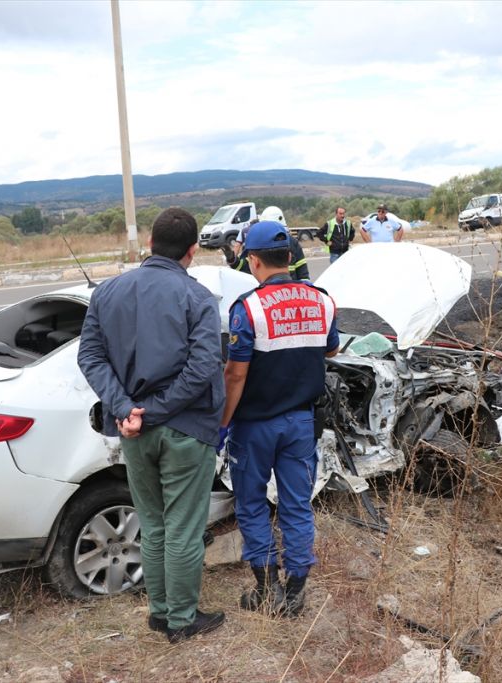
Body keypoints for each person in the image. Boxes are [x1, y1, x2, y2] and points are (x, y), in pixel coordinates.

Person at [77, 207, 226, 643]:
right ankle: (180, 619)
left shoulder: (107, 293)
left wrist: (126, 408)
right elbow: (203, 369)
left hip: (134, 430)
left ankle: (161, 613)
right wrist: (150, 410)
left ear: (149, 244)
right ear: (193, 250)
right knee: (181, 526)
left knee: (154, 522)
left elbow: (90, 356)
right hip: (184, 430)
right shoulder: (197, 298)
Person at [220, 220, 339, 618]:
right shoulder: (322, 300)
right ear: (289, 258)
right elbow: (331, 350)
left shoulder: (247, 309)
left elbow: (235, 374)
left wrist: (221, 425)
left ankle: (267, 587)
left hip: (254, 426)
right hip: (301, 423)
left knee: (252, 505)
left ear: (253, 261)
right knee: (296, 504)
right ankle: (296, 591)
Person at [226, 219, 310, 280]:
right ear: (289, 257)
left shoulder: (249, 303)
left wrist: (233, 261)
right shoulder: (317, 297)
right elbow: (304, 274)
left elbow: (244, 267)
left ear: (255, 261)